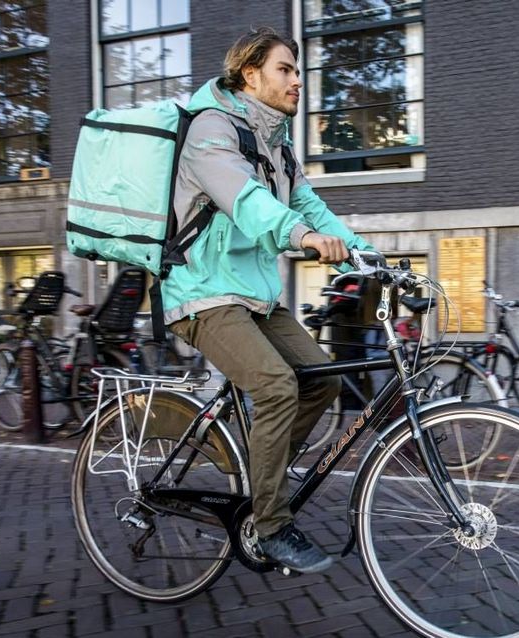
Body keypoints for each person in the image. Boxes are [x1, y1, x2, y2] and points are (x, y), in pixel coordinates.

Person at [163, 26, 375, 574]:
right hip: (203, 292)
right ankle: (272, 523)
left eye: (298, 70)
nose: (297, 80)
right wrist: (300, 237)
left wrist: (370, 255)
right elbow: (246, 200)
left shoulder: (277, 143)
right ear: (250, 74)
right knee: (277, 385)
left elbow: (312, 205)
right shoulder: (210, 130)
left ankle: (266, 473)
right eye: (286, 69)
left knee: (323, 379)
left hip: (254, 294)